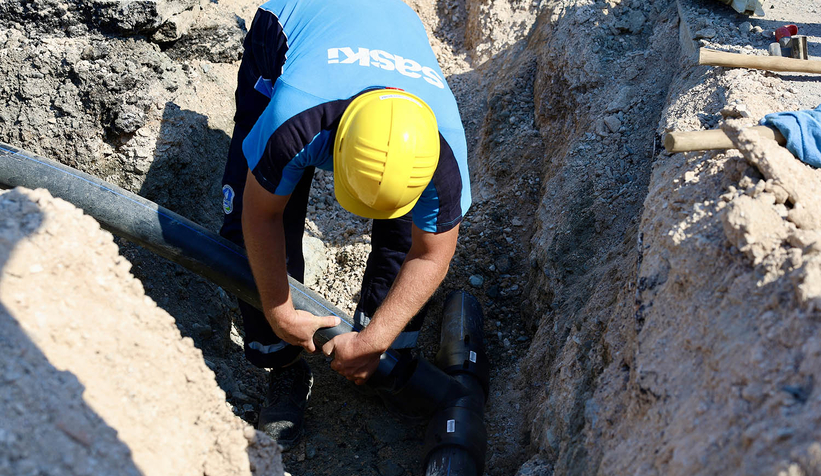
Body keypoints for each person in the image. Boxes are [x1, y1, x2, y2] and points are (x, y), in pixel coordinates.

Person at [219, 0, 471, 448]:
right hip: (291, 23)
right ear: (333, 150)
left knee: (403, 240)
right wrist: (279, 312)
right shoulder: (296, 120)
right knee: (245, 221)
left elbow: (430, 254)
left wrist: (375, 340)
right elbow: (262, 216)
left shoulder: (444, 153)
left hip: (393, 23)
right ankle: (283, 366)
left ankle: (385, 357)